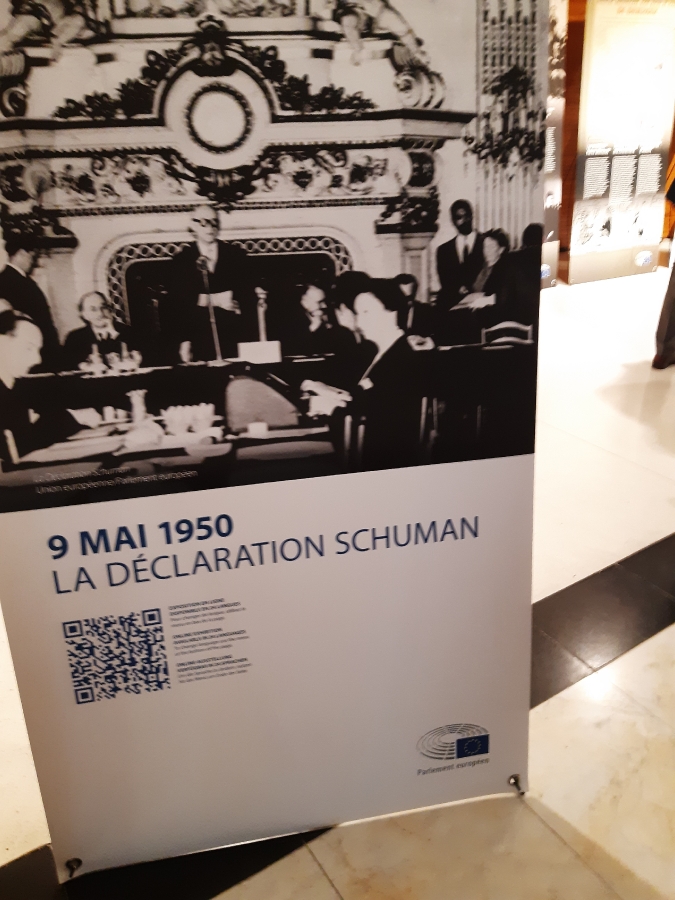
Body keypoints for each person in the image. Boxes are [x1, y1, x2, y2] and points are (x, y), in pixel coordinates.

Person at [303, 277, 424, 470]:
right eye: (358, 314)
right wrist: (331, 394)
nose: (359, 322)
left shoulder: (402, 358)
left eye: (367, 312)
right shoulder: (382, 353)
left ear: (391, 313)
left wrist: (331, 407)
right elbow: (366, 398)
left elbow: (377, 419)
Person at [0, 308, 100, 469]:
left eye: (38, 350)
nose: (37, 359)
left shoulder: (15, 387)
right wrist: (72, 418)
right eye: (29, 348)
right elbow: (18, 448)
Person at [163, 206, 258, 363]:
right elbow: (178, 303)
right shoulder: (181, 260)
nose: (210, 227)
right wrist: (184, 341)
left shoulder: (236, 255)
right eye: (204, 222)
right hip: (198, 335)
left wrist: (238, 305)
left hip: (233, 333)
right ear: (193, 225)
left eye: (214, 222)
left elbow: (247, 296)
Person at [0, 233, 60, 372]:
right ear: (21, 253)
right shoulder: (17, 282)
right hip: (29, 355)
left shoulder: (8, 279)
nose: (34, 262)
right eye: (33, 256)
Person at [328, 0, 428, 66]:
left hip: (376, 9)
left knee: (397, 23)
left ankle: (416, 51)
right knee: (348, 21)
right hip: (352, 10)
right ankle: (358, 49)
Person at [61, 291, 141, 372]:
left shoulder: (128, 332)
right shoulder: (74, 338)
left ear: (109, 309)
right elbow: (68, 366)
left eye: (103, 307)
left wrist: (114, 333)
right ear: (84, 315)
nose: (100, 313)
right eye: (93, 309)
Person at [436, 200, 485, 315]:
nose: (465, 220)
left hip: (481, 309)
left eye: (467, 216)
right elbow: (445, 280)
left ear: (472, 216)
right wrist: (457, 289)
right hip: (452, 311)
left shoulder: (486, 243)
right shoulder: (443, 250)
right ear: (453, 221)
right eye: (459, 217)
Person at [0, 1, 90, 60]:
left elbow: (79, 8)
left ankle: (58, 40)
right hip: (33, 13)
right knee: (14, 32)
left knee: (79, 20)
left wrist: (58, 38)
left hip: (58, 23)